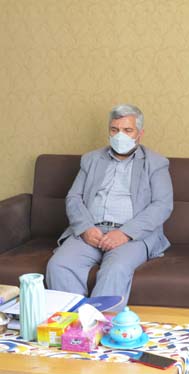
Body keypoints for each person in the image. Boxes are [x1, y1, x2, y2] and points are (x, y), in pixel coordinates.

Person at [46, 104, 173, 309]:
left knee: (115, 268)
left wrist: (125, 233)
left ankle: (98, 323)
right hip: (91, 231)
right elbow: (74, 197)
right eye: (115, 129)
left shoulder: (156, 163)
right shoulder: (91, 159)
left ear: (140, 134)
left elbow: (162, 205)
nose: (120, 135)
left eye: (127, 130)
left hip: (131, 236)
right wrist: (85, 228)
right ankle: (74, 322)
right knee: (59, 265)